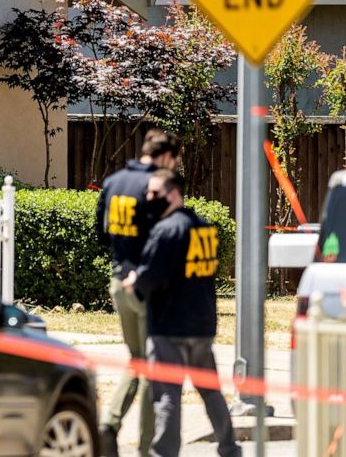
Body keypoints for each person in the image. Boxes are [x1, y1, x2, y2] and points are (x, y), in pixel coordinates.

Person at [124, 170, 241, 457]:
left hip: (168, 327)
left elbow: (153, 276)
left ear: (173, 193)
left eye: (154, 193)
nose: (148, 198)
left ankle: (164, 453)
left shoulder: (165, 231)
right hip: (201, 325)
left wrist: (134, 282)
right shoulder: (203, 228)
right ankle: (229, 448)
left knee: (167, 395)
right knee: (210, 390)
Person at [95, 129, 179, 457]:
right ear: (166, 156)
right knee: (151, 368)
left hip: (118, 280)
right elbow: (164, 237)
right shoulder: (155, 187)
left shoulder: (113, 183)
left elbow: (101, 234)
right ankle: (147, 448)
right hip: (146, 285)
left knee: (138, 360)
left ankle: (110, 423)